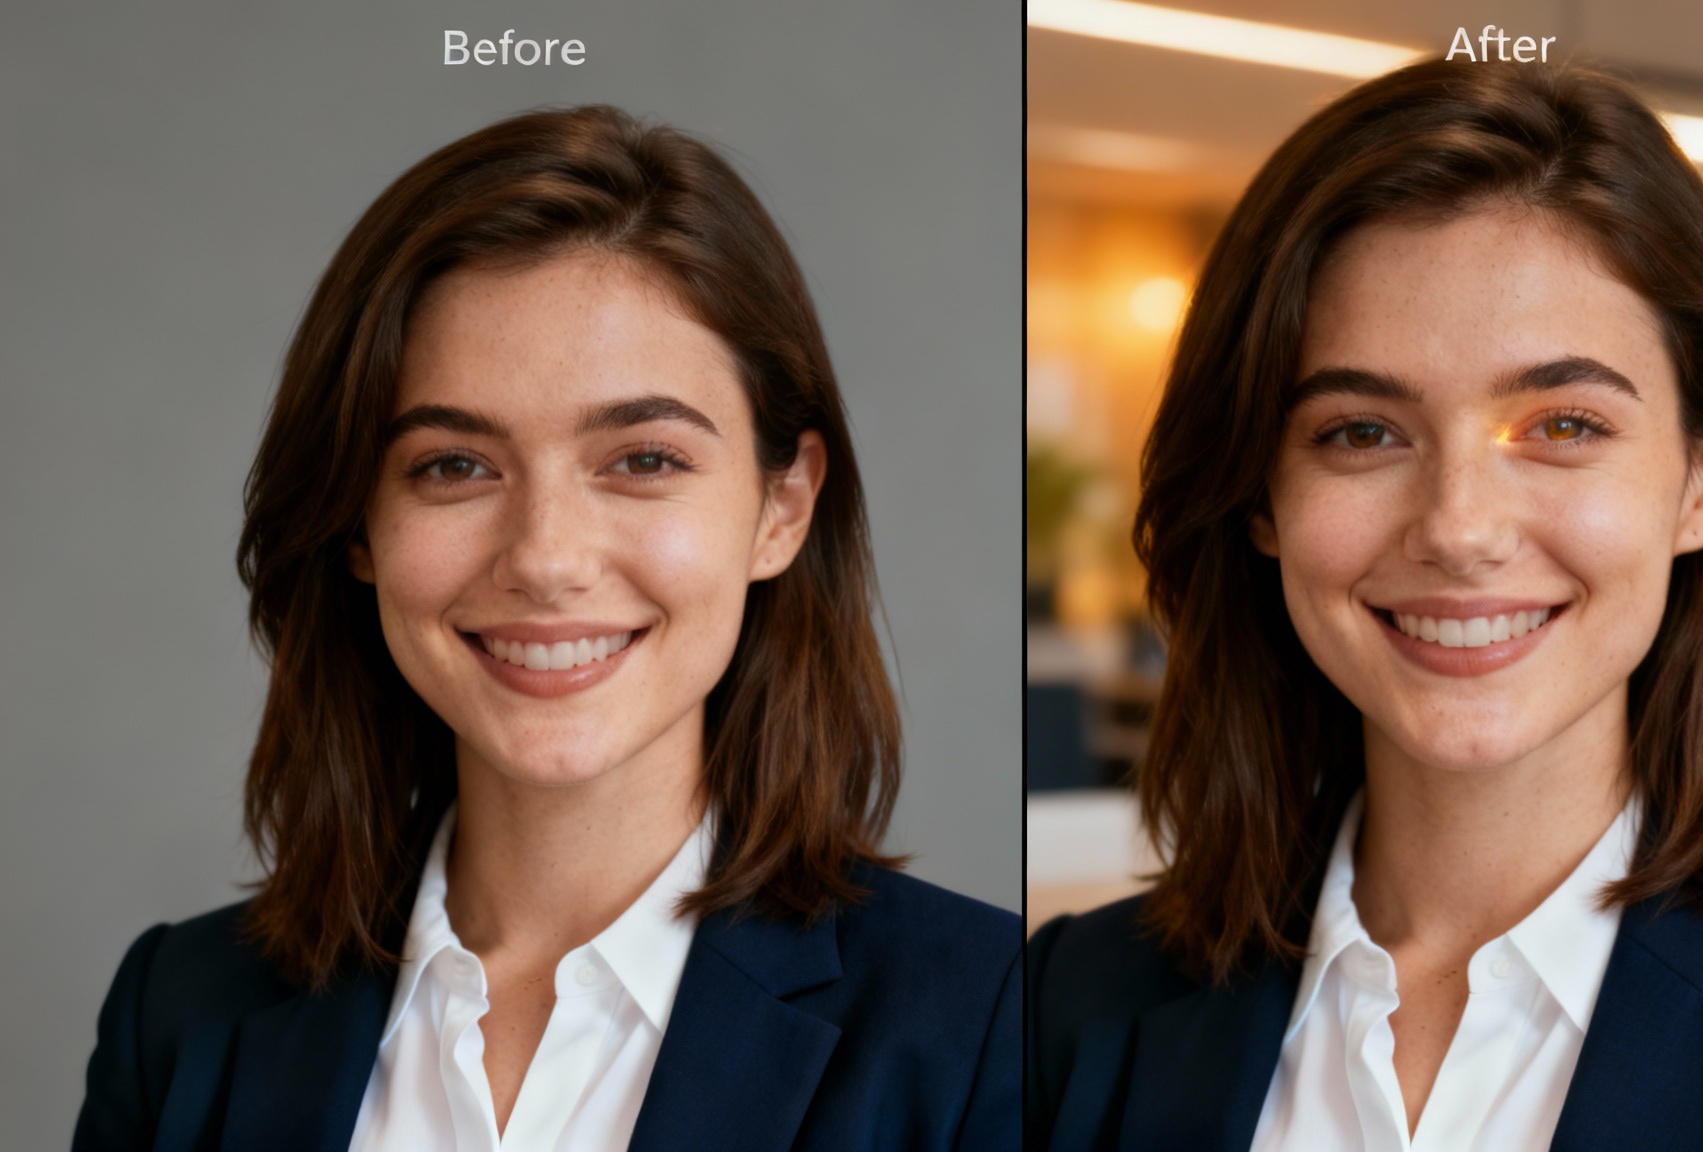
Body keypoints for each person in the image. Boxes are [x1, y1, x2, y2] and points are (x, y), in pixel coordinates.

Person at [1026, 61, 1703, 1152]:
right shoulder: (1062, 1006)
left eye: (1563, 425)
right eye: (1358, 432)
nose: (1459, 529)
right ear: (1258, 495)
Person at [74, 106, 1020, 1152]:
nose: (546, 558)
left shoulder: (992, 1022)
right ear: (356, 524)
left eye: (644, 459)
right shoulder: (178, 1013)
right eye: (453, 466)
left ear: (780, 507)